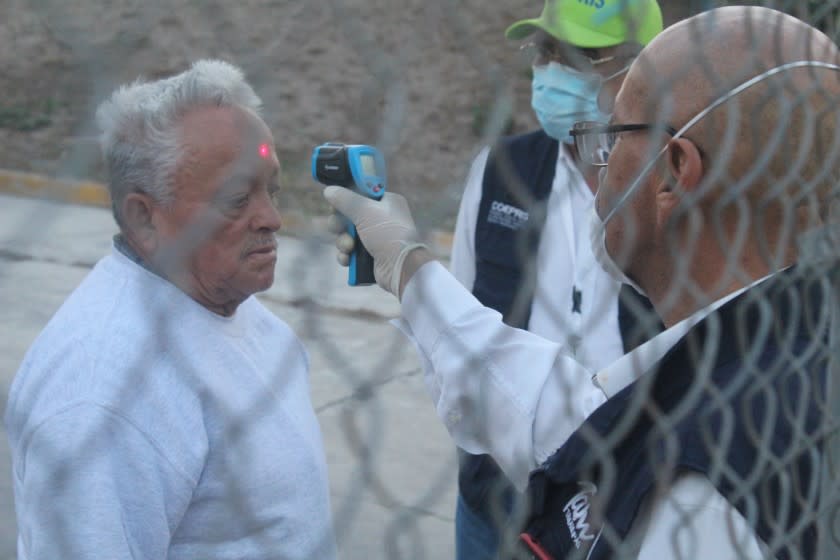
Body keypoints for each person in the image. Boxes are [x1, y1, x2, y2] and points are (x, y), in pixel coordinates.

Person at [323, 5, 838, 557]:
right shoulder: (784, 345)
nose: (601, 167)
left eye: (613, 136)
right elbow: (587, 418)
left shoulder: (701, 491)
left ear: (672, 171)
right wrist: (409, 267)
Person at [5, 60, 337, 559]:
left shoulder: (240, 313)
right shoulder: (103, 395)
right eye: (236, 197)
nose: (271, 217)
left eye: (272, 190)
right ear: (145, 218)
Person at [448, 1, 663, 557]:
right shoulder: (500, 170)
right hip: (497, 494)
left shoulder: (669, 185)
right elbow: (457, 318)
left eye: (584, 56)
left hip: (620, 500)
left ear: (645, 69)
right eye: (547, 52)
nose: (553, 71)